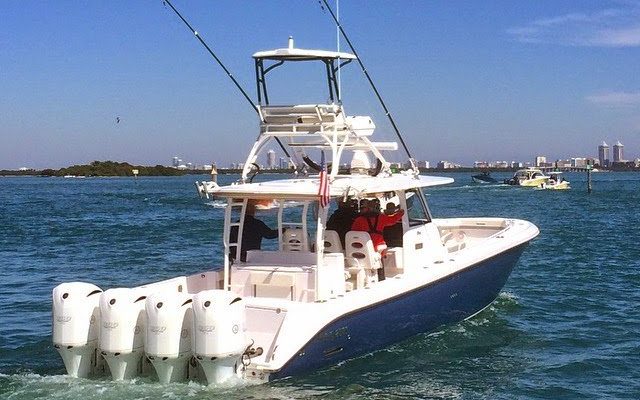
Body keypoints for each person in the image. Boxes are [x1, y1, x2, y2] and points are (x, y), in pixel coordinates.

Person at [351, 198, 404, 281]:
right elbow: (393, 220)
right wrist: (401, 213)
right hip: (377, 249)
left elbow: (353, 233)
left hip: (361, 249)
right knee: (381, 253)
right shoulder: (381, 218)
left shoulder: (358, 220)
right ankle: (381, 277)